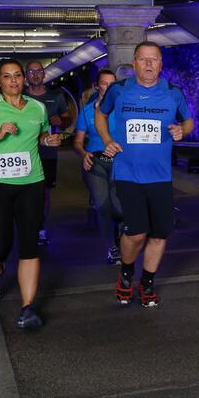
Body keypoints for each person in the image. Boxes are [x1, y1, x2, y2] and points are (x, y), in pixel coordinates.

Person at [0, 58, 61, 328]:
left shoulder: (37, 108)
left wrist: (47, 139)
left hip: (31, 182)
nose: (14, 80)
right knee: (2, 245)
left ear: (24, 79)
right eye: (7, 76)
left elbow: (40, 134)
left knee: (29, 243)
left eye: (17, 75)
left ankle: (27, 308)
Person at [96, 42, 193, 307]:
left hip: (160, 176)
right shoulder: (119, 90)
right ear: (134, 63)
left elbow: (188, 120)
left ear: (161, 64)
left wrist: (182, 130)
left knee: (160, 234)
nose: (149, 64)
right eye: (143, 59)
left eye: (154, 60)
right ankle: (126, 274)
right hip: (128, 173)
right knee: (137, 232)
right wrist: (106, 139)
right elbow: (100, 114)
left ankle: (147, 281)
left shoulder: (173, 93)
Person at [73, 69, 123, 265]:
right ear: (97, 86)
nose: (108, 87)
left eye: (112, 84)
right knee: (102, 205)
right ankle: (112, 248)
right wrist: (84, 154)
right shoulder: (87, 111)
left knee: (120, 209)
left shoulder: (123, 109)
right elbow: (77, 142)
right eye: (104, 83)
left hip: (120, 161)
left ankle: (120, 235)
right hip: (96, 161)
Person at [24, 60, 72, 246]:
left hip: (48, 153)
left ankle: (40, 228)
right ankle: (27, 226)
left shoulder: (56, 96)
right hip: (24, 153)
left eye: (39, 71)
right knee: (26, 193)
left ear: (44, 74)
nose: (35, 75)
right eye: (31, 71)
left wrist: (61, 120)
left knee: (44, 193)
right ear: (26, 75)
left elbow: (67, 120)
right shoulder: (20, 96)